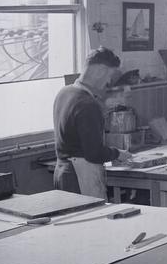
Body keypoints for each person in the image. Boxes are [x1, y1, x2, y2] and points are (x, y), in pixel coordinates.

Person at [53, 47, 131, 197]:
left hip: (62, 172)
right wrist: (117, 154)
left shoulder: (64, 92)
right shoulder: (88, 104)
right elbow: (94, 153)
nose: (108, 82)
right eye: (110, 76)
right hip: (81, 176)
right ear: (100, 71)